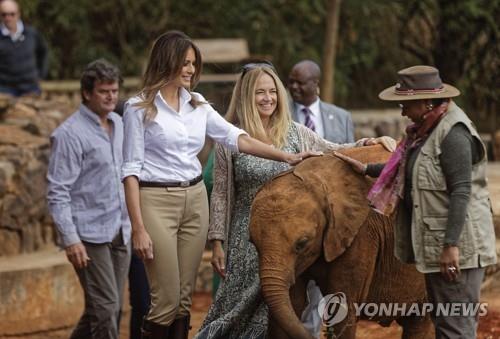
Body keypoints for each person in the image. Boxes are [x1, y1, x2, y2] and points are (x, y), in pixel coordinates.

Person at [121, 31, 318, 339]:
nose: (189, 70)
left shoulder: (198, 104)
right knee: (166, 300)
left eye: (192, 64)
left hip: (195, 198)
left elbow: (236, 137)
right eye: (184, 63)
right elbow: (130, 170)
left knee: (184, 300)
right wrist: (138, 227)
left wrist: (287, 156)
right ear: (165, 61)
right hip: (155, 200)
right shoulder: (138, 108)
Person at [195, 62, 396, 339]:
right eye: (259, 93)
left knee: (278, 314)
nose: (267, 98)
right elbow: (220, 192)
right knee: (236, 312)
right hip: (247, 239)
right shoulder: (231, 138)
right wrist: (217, 241)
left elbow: (334, 150)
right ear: (245, 96)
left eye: (272, 91)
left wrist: (368, 144)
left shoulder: (295, 132)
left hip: (288, 242)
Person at [334, 65, 497, 339]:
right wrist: (366, 169)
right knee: (445, 325)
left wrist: (450, 246)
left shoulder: (454, 134)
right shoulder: (424, 131)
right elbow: (410, 168)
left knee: (455, 329)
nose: (402, 111)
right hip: (437, 245)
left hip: (459, 248)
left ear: (426, 102)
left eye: (405, 104)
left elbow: (461, 191)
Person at [47, 59, 130, 339]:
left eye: (114, 91)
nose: (110, 97)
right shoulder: (69, 135)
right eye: (104, 91)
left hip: (121, 229)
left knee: (109, 308)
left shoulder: (118, 124)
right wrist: (70, 239)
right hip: (89, 234)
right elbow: (57, 191)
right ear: (86, 93)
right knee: (106, 310)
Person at [288, 60, 354, 143]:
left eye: (300, 83)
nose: (294, 86)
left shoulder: (342, 117)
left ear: (315, 83)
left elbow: (352, 152)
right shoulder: (279, 114)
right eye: (291, 82)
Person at [0, 0, 48, 96]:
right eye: (4, 14)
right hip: (5, 91)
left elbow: (43, 52)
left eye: (12, 14)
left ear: (18, 14)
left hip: (31, 88)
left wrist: (41, 75)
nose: (8, 18)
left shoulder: (32, 33)